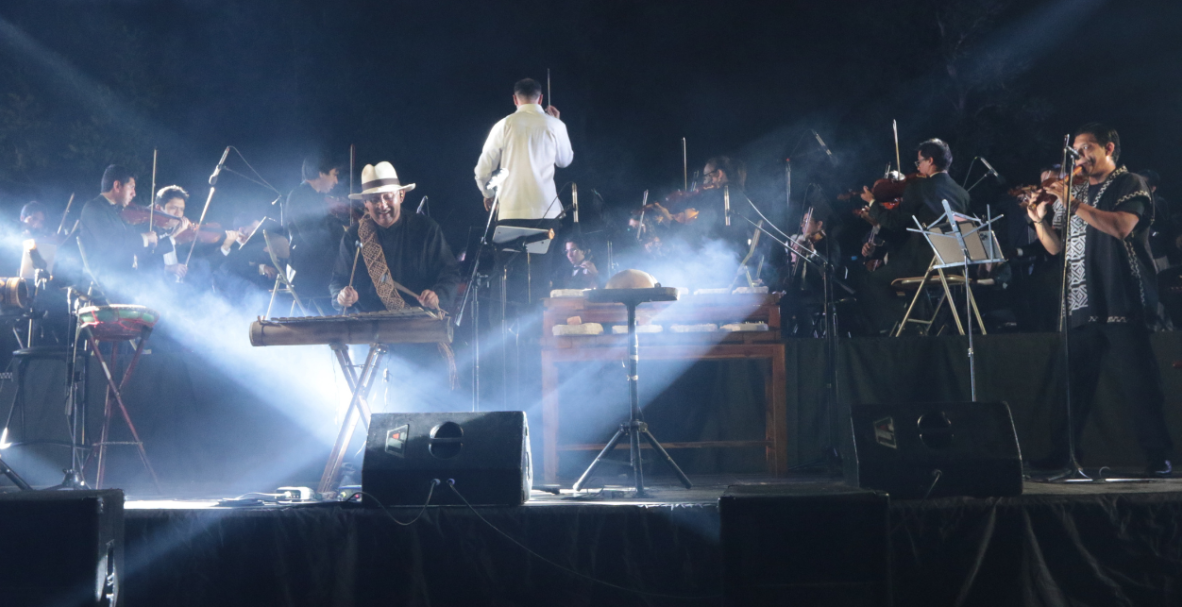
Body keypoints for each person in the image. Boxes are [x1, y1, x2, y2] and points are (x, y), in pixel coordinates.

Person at [1025, 122, 1172, 475]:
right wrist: (1040, 221)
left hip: (1121, 294)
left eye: (1086, 148)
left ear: (1108, 148)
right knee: (1072, 385)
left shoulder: (1130, 182)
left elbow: (1121, 226)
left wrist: (1071, 201)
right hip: (1081, 300)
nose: (1079, 156)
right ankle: (1063, 454)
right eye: (1076, 150)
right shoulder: (1075, 191)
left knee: (1138, 382)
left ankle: (1158, 457)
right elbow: (1056, 248)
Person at [473, 78, 573, 308]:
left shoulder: (503, 125)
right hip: (546, 213)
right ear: (541, 98)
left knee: (505, 279)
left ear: (515, 99)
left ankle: (504, 328)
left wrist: (488, 194)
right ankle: (537, 328)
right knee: (540, 278)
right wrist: (557, 123)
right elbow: (565, 161)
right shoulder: (554, 125)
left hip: (511, 213)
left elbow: (482, 171)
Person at [853, 139, 970, 334]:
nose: (918, 167)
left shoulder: (919, 188)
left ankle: (902, 329)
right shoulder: (962, 193)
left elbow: (894, 223)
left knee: (871, 280)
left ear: (930, 161)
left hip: (924, 263)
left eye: (919, 162)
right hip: (954, 263)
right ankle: (919, 329)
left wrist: (873, 203)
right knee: (912, 284)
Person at [332, 162, 460, 313]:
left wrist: (438, 295)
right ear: (366, 203)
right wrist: (341, 296)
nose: (382, 205)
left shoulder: (426, 229)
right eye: (374, 199)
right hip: (366, 321)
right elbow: (338, 281)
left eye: (388, 197)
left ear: (401, 195)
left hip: (418, 320)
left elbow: (450, 273)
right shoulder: (354, 235)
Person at [78, 165, 159, 295]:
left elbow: (128, 244)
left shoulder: (117, 212)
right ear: (117, 186)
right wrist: (144, 238)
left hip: (122, 284)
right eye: (131, 187)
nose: (134, 193)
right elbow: (111, 243)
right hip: (102, 287)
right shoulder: (93, 208)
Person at [285, 153, 348, 312]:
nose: (336, 181)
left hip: (315, 265)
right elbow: (315, 239)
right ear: (321, 173)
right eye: (334, 174)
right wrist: (344, 235)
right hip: (309, 270)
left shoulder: (311, 196)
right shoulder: (301, 196)